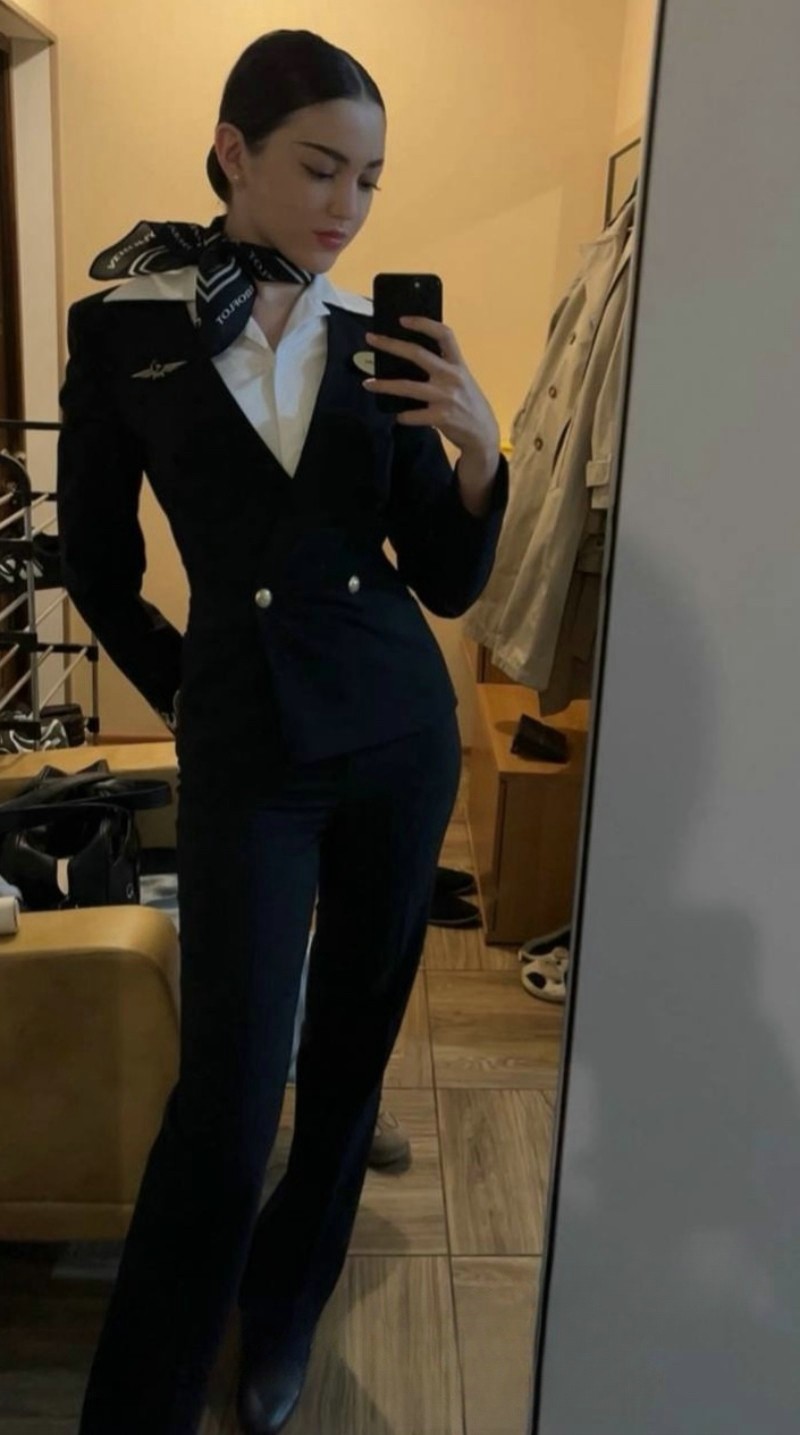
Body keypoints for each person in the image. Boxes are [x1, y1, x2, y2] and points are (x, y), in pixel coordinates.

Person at [56, 28, 509, 1435]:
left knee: (351, 1056)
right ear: (232, 151)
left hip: (396, 736)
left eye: (368, 181)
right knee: (230, 1090)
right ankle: (140, 1400)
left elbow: (444, 579)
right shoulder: (121, 329)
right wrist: (189, 688)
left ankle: (287, 1302)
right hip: (249, 755)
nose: (345, 207)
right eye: (320, 168)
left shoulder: (379, 339)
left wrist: (481, 453)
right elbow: (97, 562)